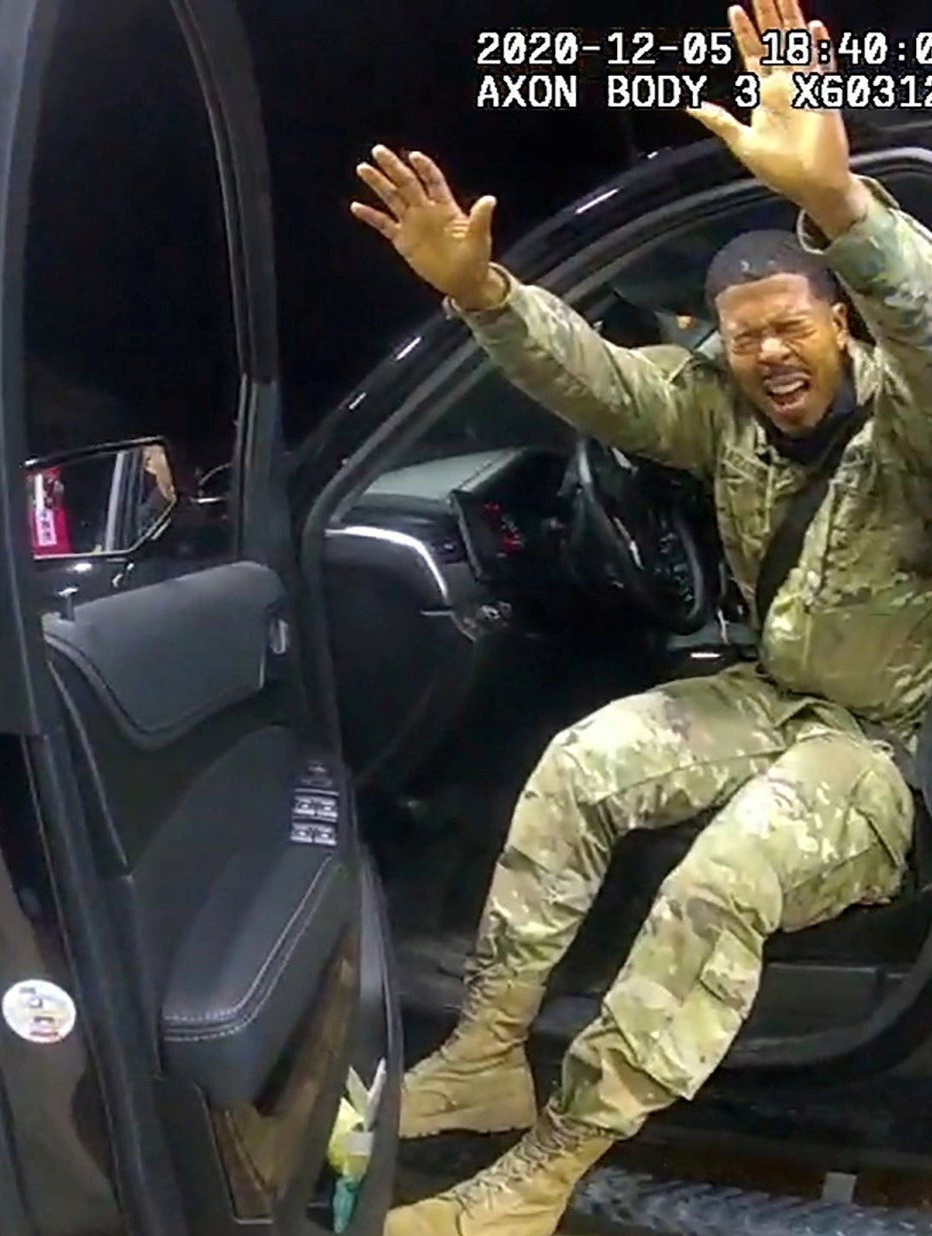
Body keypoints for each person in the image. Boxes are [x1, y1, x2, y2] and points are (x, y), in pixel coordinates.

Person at [351, 3, 932, 1234]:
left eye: (792, 329)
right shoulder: (721, 406)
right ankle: (486, 1055)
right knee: (582, 762)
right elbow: (599, 378)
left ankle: (551, 1166)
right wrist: (484, 295)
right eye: (744, 337)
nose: (772, 356)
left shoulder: (911, 418)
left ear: (838, 323)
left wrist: (842, 210)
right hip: (773, 695)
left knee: (725, 877)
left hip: (881, 742)